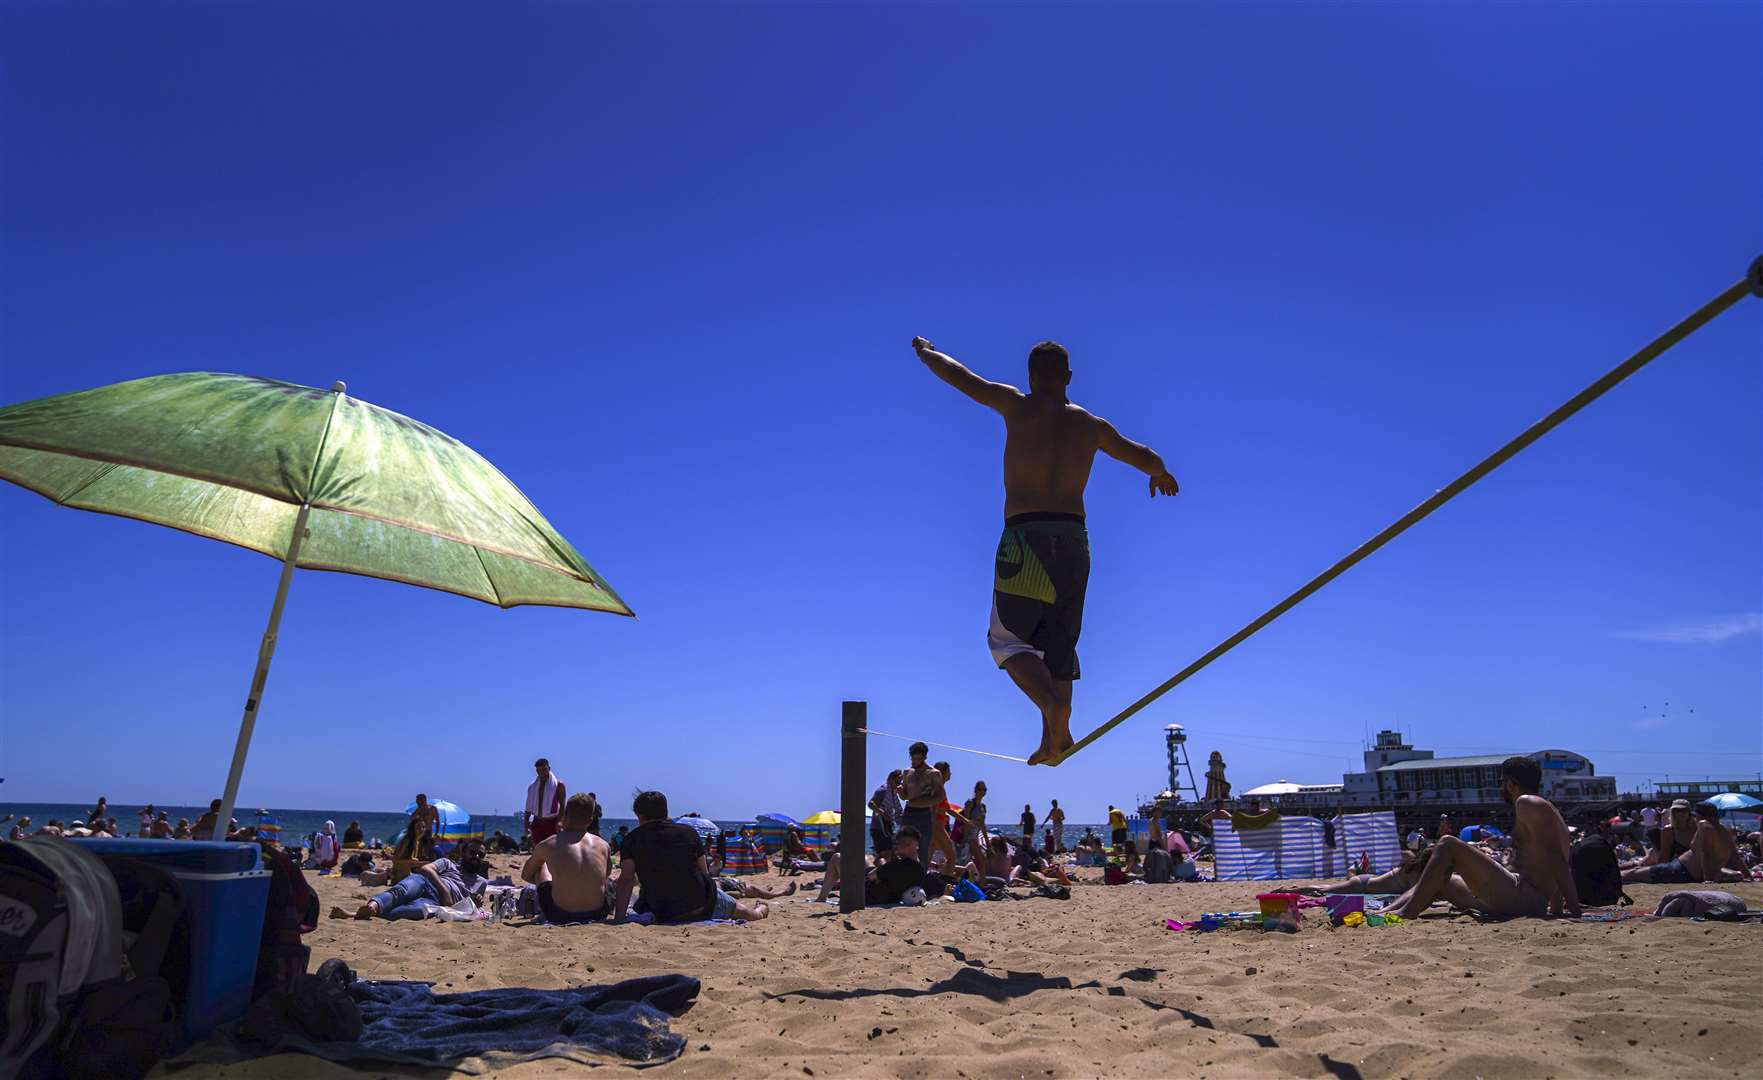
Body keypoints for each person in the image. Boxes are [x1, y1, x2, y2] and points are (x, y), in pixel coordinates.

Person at [912, 336, 1178, 764]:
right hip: (1074, 541)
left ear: (1031, 376)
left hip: (1025, 537)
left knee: (1007, 642)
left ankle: (1053, 709)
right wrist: (1159, 472)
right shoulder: (1091, 426)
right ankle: (1057, 738)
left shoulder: (1017, 406)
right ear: (1069, 377)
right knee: (1059, 641)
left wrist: (927, 353)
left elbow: (959, 376)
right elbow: (1145, 454)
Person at [1386, 758, 1580, 919]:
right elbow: (1551, 860)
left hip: (1521, 895)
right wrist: (1555, 910)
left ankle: (1406, 913)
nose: (1501, 787)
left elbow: (1557, 860)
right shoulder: (1547, 809)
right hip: (1521, 898)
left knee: (1447, 843)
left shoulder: (1528, 803)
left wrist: (1574, 911)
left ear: (1511, 784)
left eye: (1502, 782)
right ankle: (1385, 912)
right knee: (1442, 879)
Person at [613, 790, 768, 923]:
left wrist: (619, 919)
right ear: (665, 811)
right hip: (700, 905)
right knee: (745, 912)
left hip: (662, 911)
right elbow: (704, 873)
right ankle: (760, 910)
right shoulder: (688, 832)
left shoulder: (631, 839)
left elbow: (626, 880)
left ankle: (757, 909)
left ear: (639, 815)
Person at [521, 793, 613, 923]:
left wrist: (559, 881)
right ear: (590, 820)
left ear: (564, 816)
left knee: (541, 865)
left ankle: (548, 907)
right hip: (598, 913)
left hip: (560, 914)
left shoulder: (549, 844)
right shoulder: (603, 845)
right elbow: (606, 874)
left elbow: (526, 875)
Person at [351, 845, 490, 920]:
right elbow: (426, 868)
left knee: (411, 911)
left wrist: (476, 904)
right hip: (425, 883)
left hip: (437, 903)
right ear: (463, 853)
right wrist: (445, 891)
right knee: (401, 891)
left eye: (480, 855)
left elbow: (472, 908)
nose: (476, 857)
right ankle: (373, 906)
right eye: (472, 852)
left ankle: (356, 913)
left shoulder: (482, 883)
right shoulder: (447, 863)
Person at [1622, 802, 1744, 885]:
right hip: (1679, 868)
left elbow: (1706, 856)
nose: (1680, 814)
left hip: (1681, 871)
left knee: (1633, 874)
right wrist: (1747, 875)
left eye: (1684, 811)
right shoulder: (1724, 830)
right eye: (1676, 811)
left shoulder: (1703, 828)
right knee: (1637, 870)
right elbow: (1734, 856)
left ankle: (1609, 877)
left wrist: (1707, 880)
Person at [820, 825, 934, 904]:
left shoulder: (897, 865)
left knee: (837, 857)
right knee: (867, 858)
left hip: (863, 895)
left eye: (905, 843)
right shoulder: (920, 869)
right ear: (917, 845)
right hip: (888, 897)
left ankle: (821, 897)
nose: (904, 845)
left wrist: (882, 868)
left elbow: (871, 876)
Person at [897, 742, 949, 862]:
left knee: (923, 849)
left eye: (917, 759)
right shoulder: (907, 772)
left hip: (924, 814)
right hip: (909, 813)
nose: (914, 762)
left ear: (924, 757)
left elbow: (941, 796)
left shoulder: (933, 773)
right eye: (913, 759)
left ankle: (921, 877)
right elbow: (904, 796)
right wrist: (900, 792)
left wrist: (923, 801)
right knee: (903, 845)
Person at [524, 758, 567, 846]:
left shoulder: (558, 785)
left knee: (552, 852)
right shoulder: (533, 787)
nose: (541, 773)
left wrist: (560, 822)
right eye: (538, 770)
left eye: (544, 769)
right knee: (538, 852)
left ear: (549, 768)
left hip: (552, 822)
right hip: (537, 822)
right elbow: (528, 809)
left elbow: (563, 805)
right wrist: (526, 827)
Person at [869, 769, 904, 863]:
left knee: (891, 854)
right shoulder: (883, 790)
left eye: (901, 781)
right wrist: (882, 813)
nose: (899, 783)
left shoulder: (893, 794)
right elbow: (871, 804)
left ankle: (871, 874)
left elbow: (898, 812)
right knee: (886, 854)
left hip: (887, 828)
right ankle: (874, 874)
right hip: (878, 827)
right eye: (898, 781)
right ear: (892, 779)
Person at [391, 814, 437, 881]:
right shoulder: (407, 841)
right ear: (413, 828)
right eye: (418, 827)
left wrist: (420, 863)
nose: (421, 829)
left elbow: (410, 863)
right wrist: (413, 861)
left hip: (407, 874)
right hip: (399, 877)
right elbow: (395, 860)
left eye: (423, 827)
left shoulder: (417, 842)